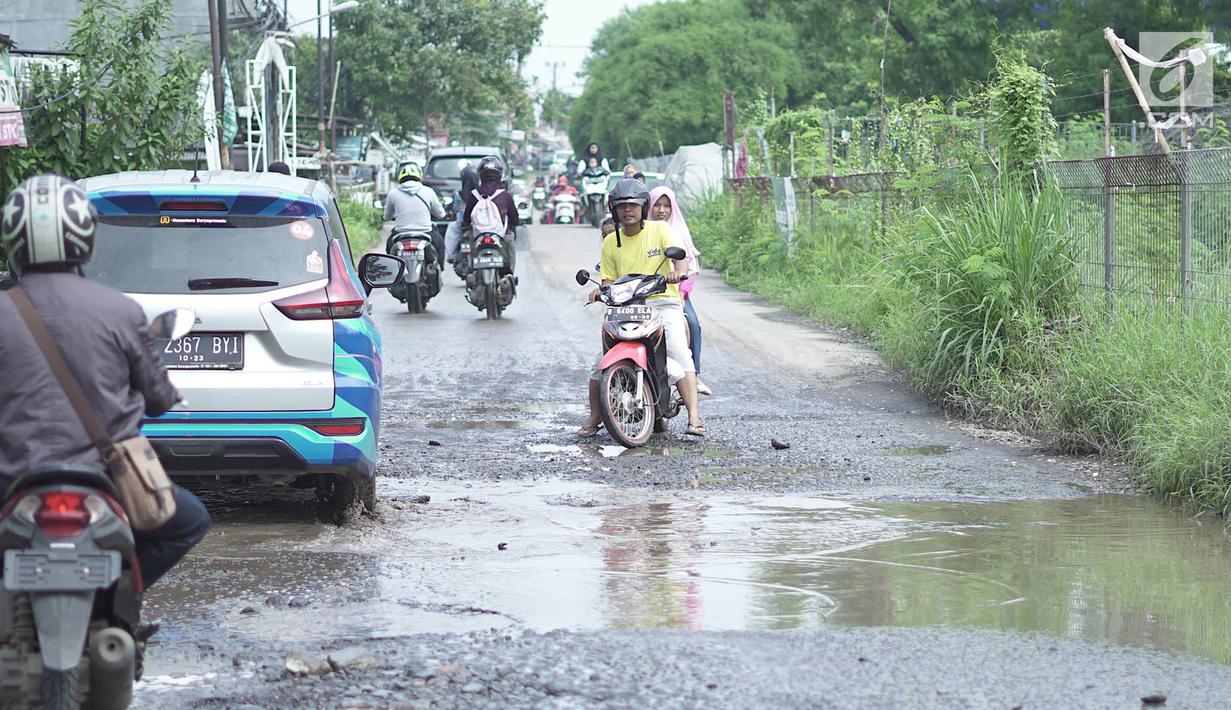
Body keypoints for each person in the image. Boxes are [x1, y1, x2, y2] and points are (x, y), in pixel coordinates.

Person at [0, 175, 211, 591]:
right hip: (104, 479)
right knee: (190, 522)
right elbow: (158, 400)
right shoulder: (120, 310)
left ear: (14, 239)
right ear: (84, 239)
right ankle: (116, 597)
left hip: (10, 482)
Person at [578, 178, 705, 437]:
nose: (628, 210)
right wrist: (600, 291)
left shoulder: (660, 230)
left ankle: (694, 417)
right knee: (598, 365)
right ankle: (594, 415)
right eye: (622, 206)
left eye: (634, 205)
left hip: (662, 303)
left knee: (680, 353)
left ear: (643, 207)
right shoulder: (611, 242)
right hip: (626, 306)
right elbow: (608, 280)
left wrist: (677, 274)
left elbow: (680, 259)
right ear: (614, 210)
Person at [648, 186, 710, 396]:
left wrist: (681, 292)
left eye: (667, 206)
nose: (662, 210)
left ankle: (695, 374)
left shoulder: (679, 231)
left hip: (675, 293)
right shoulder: (642, 231)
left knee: (692, 323)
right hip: (645, 293)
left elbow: (690, 268)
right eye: (657, 205)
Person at [462, 155, 519, 272]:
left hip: (478, 235)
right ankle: (510, 274)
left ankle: (470, 271)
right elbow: (514, 218)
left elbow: (466, 219)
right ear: (499, 174)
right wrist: (516, 223)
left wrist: (466, 228)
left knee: (467, 245)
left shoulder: (474, 195)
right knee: (510, 241)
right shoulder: (505, 195)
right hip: (501, 235)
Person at [383, 161, 445, 253]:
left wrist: (386, 217)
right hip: (426, 233)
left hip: (400, 234)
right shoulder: (429, 191)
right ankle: (438, 267)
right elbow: (441, 214)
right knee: (440, 245)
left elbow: (387, 216)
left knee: (389, 247)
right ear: (419, 176)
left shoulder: (393, 194)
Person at [445, 162, 480, 265]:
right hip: (481, 226)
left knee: (451, 227)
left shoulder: (459, 194)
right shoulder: (483, 192)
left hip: (464, 226)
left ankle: (451, 256)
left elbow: (454, 209)